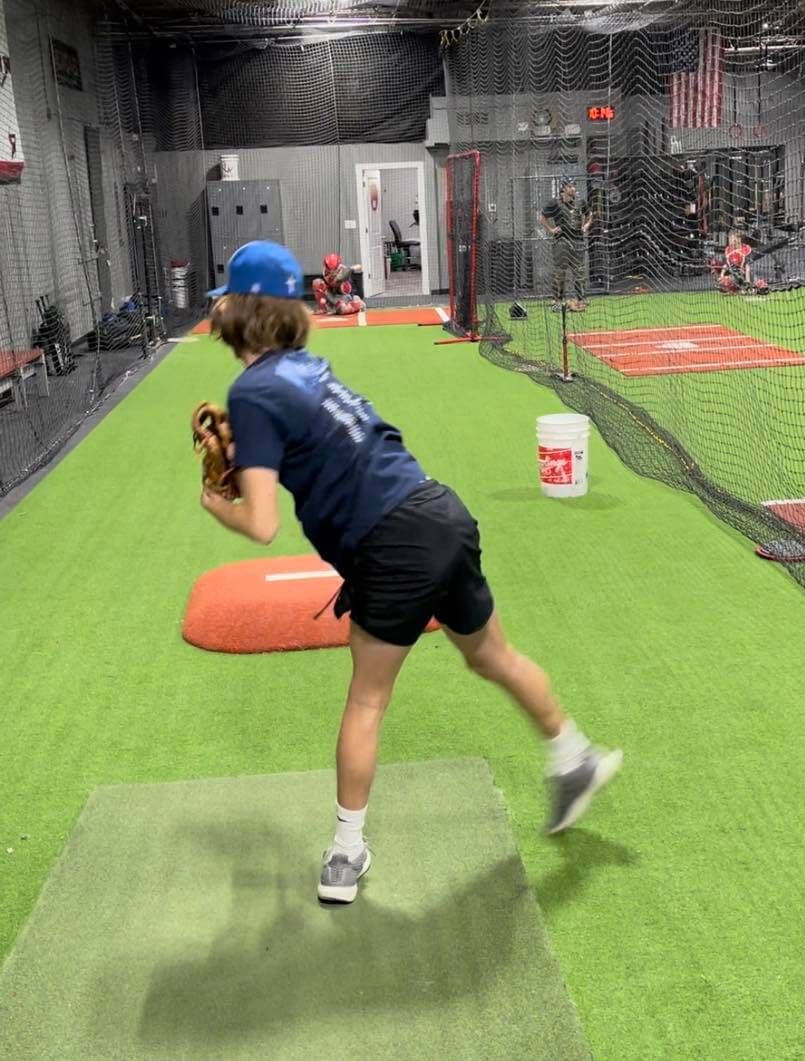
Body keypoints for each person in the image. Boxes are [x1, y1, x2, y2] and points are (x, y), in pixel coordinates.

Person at [201, 240, 623, 905]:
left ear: (239, 312)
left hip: (390, 543)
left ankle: (346, 850)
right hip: (439, 512)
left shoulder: (251, 389)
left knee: (368, 697)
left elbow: (260, 523)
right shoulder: (310, 366)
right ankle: (575, 757)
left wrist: (214, 503)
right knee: (491, 656)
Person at [539, 178, 593, 312]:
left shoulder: (581, 202)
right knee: (559, 273)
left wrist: (586, 225)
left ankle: (581, 300)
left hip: (578, 242)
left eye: (574, 186)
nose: (573, 189)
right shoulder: (555, 203)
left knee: (579, 272)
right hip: (561, 242)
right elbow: (542, 217)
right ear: (563, 188)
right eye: (570, 186)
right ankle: (558, 302)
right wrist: (551, 229)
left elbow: (590, 214)